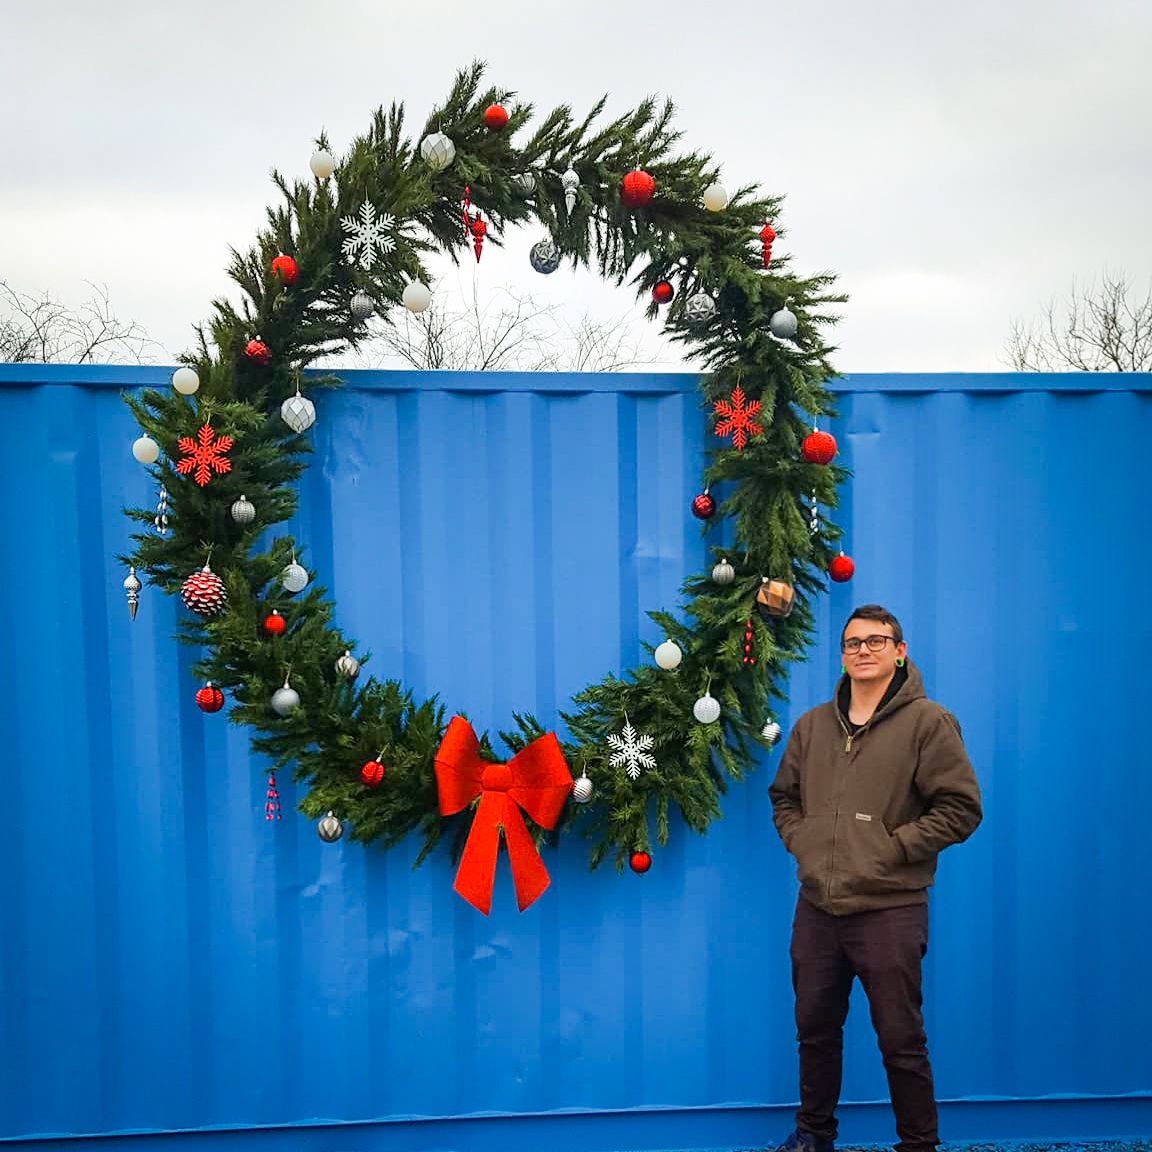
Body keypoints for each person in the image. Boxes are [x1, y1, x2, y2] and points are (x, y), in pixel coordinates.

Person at [768, 604, 982, 1152]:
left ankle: (918, 1145)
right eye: (852, 642)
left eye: (876, 641)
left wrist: (894, 849)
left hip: (891, 907)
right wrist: (807, 843)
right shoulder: (812, 726)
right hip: (817, 908)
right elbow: (784, 798)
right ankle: (814, 1136)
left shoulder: (928, 723)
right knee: (815, 1032)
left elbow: (961, 807)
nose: (862, 650)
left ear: (900, 651)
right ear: (842, 656)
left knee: (900, 1039)